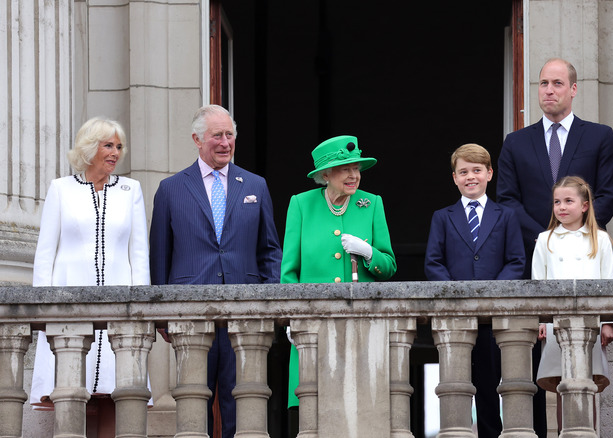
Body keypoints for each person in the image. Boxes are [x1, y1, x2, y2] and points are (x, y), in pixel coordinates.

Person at [497, 57, 613, 435]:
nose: (548, 90)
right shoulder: (516, 142)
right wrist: (547, 235)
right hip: (537, 258)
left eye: (556, 83)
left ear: (573, 89)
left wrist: (571, 228)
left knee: (585, 378)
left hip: (584, 259)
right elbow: (506, 199)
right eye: (542, 83)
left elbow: (608, 195)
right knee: (541, 371)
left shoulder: (599, 136)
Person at [149, 105, 282, 437]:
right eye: (217, 136)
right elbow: (160, 257)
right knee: (194, 403)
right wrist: (162, 315)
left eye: (230, 135)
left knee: (243, 402)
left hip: (246, 314)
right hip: (191, 313)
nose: (225, 143)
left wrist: (271, 302)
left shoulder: (256, 185)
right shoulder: (171, 189)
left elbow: (269, 251)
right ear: (197, 139)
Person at [31, 117, 150, 437]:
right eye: (108, 145)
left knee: (116, 392)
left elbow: (139, 255)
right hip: (68, 305)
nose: (115, 152)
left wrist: (143, 310)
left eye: (119, 146)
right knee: (70, 391)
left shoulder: (131, 190)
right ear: (89, 147)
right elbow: (45, 254)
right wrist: (40, 309)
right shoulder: (60, 189)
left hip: (119, 307)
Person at [282, 135, 396, 434]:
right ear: (325, 175)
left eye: (356, 167)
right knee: (311, 407)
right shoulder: (301, 205)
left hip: (361, 326)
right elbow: (289, 272)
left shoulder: (371, 204)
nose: (353, 175)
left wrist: (369, 253)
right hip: (313, 327)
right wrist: (292, 317)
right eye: (345, 168)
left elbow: (389, 266)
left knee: (361, 410)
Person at [424, 143, 525, 438]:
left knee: (491, 387)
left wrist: (491, 293)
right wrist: (457, 294)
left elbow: (516, 262)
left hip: (493, 320)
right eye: (464, 171)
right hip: (456, 318)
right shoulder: (442, 217)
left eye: (477, 170)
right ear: (454, 177)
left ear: (489, 174)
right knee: (454, 386)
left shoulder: (505, 215)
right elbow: (433, 263)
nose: (471, 177)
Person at [531, 176, 613, 432]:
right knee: (561, 386)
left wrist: (607, 322)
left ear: (585, 205)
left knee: (586, 386)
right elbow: (539, 285)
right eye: (557, 202)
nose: (562, 207)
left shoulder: (600, 240)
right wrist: (543, 321)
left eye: (569, 201)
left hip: (590, 325)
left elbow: (608, 284)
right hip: (557, 324)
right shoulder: (545, 239)